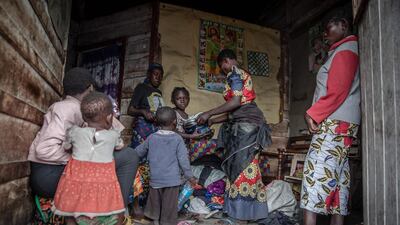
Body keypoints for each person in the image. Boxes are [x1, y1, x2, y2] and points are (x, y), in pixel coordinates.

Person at [28, 67, 139, 222]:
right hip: (48, 176)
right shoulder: (67, 107)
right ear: (91, 88)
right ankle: (114, 212)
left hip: (51, 174)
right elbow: (44, 150)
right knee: (129, 156)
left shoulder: (79, 108)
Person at [197, 49, 272, 223]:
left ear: (226, 61)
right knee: (241, 167)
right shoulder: (238, 75)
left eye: (222, 65)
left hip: (247, 126)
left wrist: (208, 113)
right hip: (245, 124)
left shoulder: (235, 75)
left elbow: (235, 102)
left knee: (242, 167)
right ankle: (246, 213)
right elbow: (234, 110)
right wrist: (212, 120)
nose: (223, 69)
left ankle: (242, 216)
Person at [301, 17, 360, 225]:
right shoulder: (341, 50)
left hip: (334, 124)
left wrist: (312, 113)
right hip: (341, 125)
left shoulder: (345, 50)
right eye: (324, 31)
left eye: (329, 29)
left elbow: (337, 92)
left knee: (313, 177)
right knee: (338, 182)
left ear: (343, 26)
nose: (325, 34)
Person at [53, 92, 125, 225]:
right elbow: (120, 146)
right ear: (109, 118)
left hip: (76, 184)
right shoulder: (113, 135)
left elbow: (66, 146)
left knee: (70, 214)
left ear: (84, 117)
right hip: (104, 184)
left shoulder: (74, 131)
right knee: (115, 214)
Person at [134, 106, 197, 225]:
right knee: (169, 207)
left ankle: (155, 220)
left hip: (155, 179)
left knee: (155, 203)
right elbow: (184, 160)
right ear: (175, 122)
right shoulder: (177, 139)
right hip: (172, 181)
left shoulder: (151, 138)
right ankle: (166, 222)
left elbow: (138, 153)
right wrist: (190, 177)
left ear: (156, 122)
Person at [127, 63, 165, 217]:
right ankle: (135, 204)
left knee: (152, 166)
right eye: (155, 74)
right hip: (142, 131)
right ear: (149, 75)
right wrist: (143, 111)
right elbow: (130, 110)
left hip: (156, 132)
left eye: (160, 75)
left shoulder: (158, 92)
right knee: (138, 166)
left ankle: (146, 204)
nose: (158, 77)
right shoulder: (141, 88)